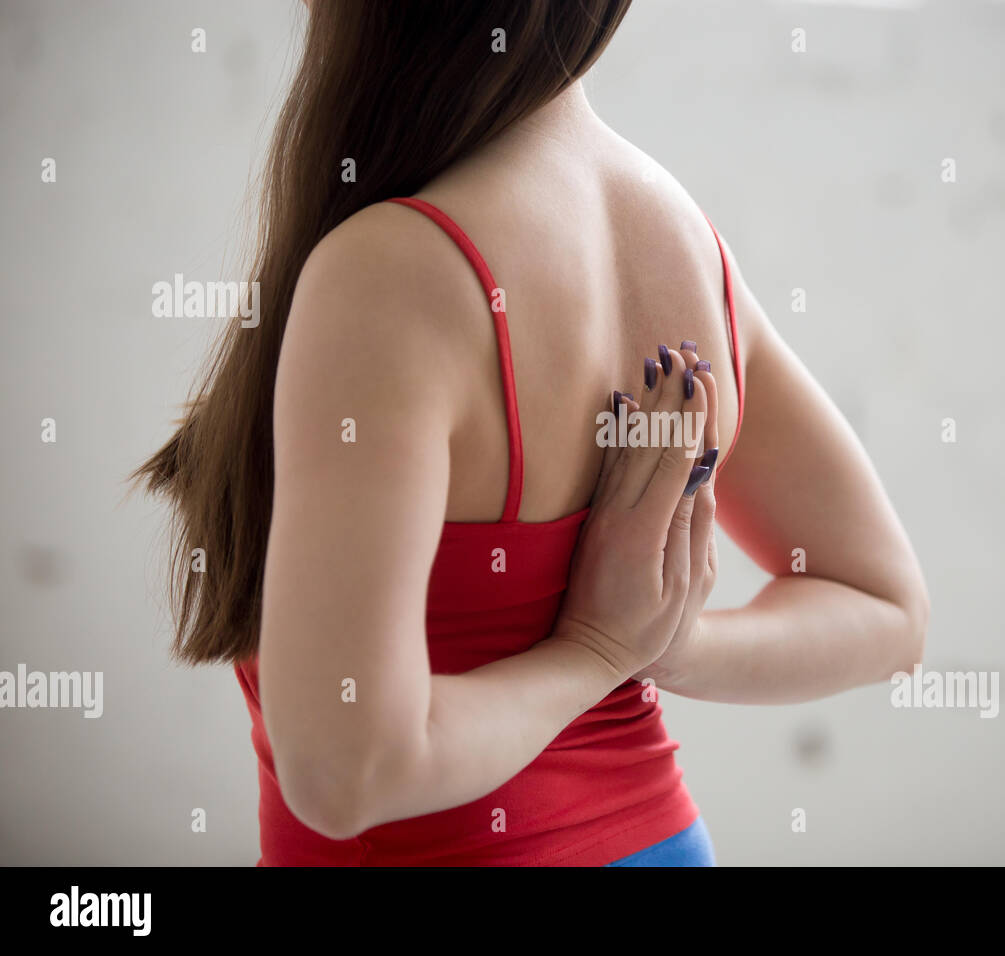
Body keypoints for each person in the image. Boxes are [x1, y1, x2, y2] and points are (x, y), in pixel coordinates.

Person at [134, 0, 928, 866]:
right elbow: (886, 607)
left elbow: (341, 773)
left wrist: (600, 649)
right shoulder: (684, 239)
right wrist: (664, 644)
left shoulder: (387, 272)